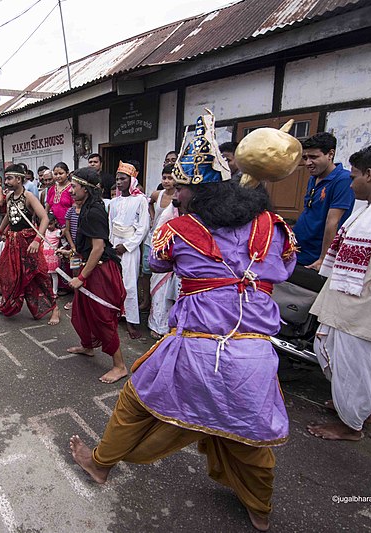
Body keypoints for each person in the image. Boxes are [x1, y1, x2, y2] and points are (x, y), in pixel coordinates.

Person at [69, 112, 297, 532]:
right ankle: (259, 510)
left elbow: (157, 262)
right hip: (253, 354)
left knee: (134, 404)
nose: (175, 195)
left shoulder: (179, 230)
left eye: (183, 189)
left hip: (194, 348)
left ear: (202, 193)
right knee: (249, 436)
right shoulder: (272, 226)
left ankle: (100, 464)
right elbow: (286, 263)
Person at [307, 145, 371, 441]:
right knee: (337, 357)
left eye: (353, 177)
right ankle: (358, 409)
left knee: (358, 367)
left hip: (369, 306)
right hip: (351, 300)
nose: (351, 184)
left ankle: (351, 425)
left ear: (370, 174)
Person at [63, 167, 128, 382]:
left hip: (99, 271)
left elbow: (98, 248)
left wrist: (81, 278)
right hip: (90, 265)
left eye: (74, 186)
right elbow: (89, 246)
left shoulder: (94, 211)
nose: (70, 190)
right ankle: (88, 346)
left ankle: (119, 366)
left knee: (102, 316)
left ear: (87, 189)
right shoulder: (86, 209)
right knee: (82, 311)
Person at [0, 164, 61, 326]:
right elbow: (8, 216)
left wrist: (37, 240)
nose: (6, 181)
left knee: (38, 276)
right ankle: (6, 304)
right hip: (13, 241)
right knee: (6, 273)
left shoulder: (29, 196)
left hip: (29, 242)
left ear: (19, 179)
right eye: (5, 178)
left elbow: (45, 218)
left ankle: (54, 308)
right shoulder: (8, 197)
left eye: (9, 178)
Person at [293, 132, 354, 270]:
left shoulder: (343, 180)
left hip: (315, 256)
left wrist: (324, 259)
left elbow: (333, 222)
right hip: (299, 249)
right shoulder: (313, 178)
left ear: (330, 154)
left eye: (314, 157)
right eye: (305, 157)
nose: (308, 163)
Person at [108, 160, 150, 339]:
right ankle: (114, 314)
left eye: (123, 179)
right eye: (117, 179)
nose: (119, 182)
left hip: (129, 246)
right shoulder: (114, 201)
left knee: (130, 283)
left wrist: (126, 246)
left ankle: (132, 321)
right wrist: (111, 246)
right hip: (114, 243)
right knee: (113, 281)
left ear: (132, 180)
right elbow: (110, 225)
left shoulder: (140, 200)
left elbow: (143, 227)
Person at [148, 164, 179, 339]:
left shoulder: (181, 197)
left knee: (172, 290)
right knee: (157, 286)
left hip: (175, 246)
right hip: (157, 242)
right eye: (164, 177)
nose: (167, 181)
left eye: (170, 178)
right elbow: (149, 205)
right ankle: (156, 324)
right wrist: (153, 218)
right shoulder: (156, 195)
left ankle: (169, 325)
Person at [42, 214, 62, 296]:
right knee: (46, 274)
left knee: (54, 274)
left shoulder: (58, 232)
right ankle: (47, 290)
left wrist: (60, 250)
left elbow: (64, 242)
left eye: (51, 224)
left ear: (55, 222)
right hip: (45, 254)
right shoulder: (45, 231)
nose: (49, 226)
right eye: (47, 224)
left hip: (53, 256)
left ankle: (54, 292)